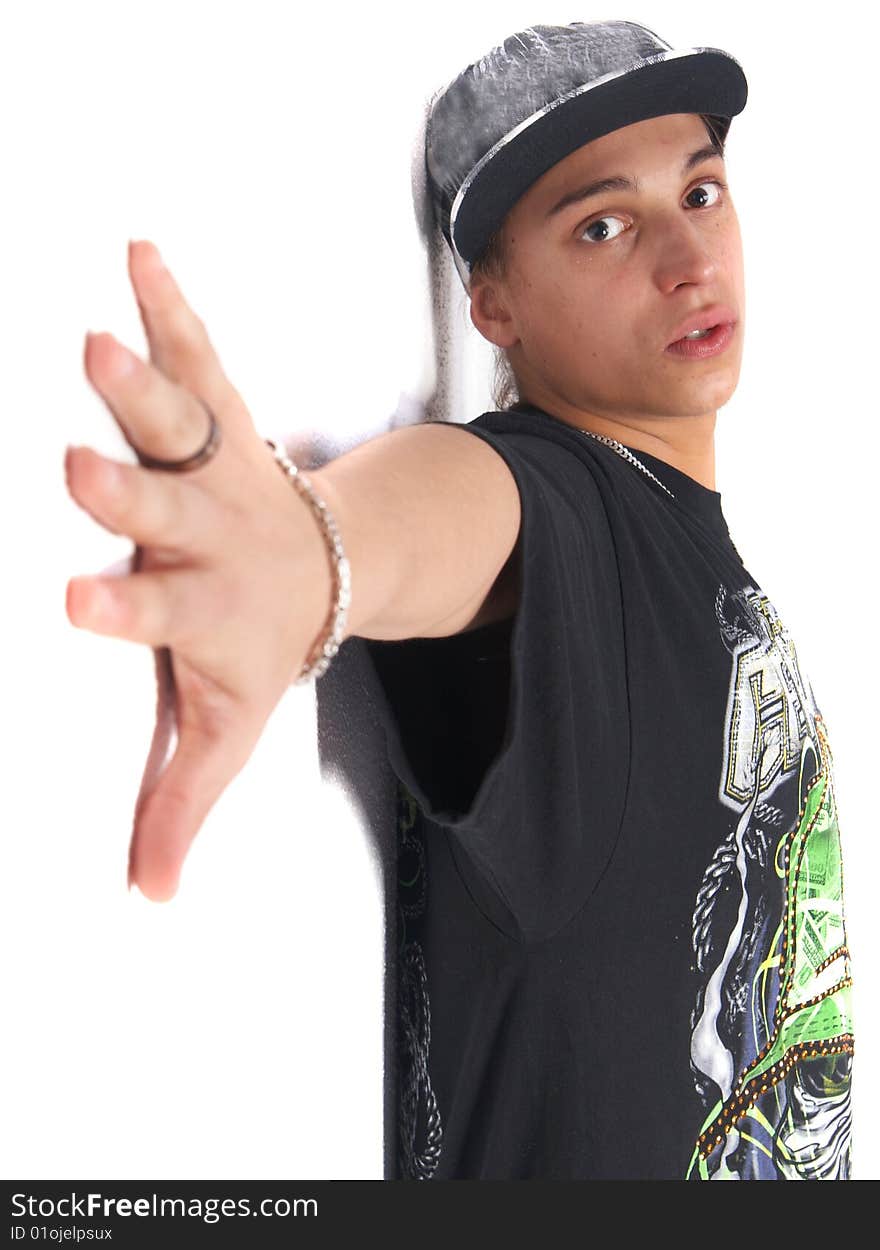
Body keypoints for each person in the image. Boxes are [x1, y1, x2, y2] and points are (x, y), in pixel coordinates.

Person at [65, 19, 855, 1181]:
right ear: (493, 304)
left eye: (699, 192)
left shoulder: (690, 556)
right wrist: (307, 553)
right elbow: (452, 511)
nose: (687, 259)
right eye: (602, 224)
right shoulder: (575, 512)